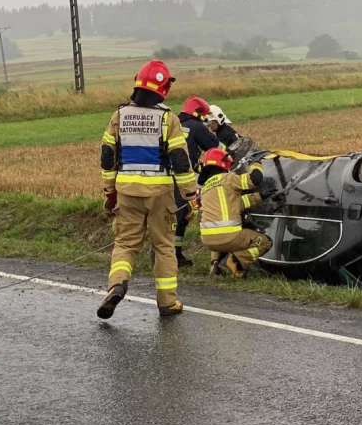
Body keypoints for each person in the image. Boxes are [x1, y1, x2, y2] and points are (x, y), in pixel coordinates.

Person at [98, 60, 199, 319]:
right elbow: (180, 161)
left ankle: (117, 285)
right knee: (164, 246)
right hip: (159, 194)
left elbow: (107, 156)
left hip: (127, 192)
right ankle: (168, 302)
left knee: (125, 244)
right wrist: (190, 195)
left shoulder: (119, 116)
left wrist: (110, 193)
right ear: (164, 89)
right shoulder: (168, 119)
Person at [197, 147, 272, 278]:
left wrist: (260, 196)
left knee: (219, 238)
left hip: (207, 240)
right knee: (265, 242)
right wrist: (256, 163)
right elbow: (254, 179)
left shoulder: (205, 187)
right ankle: (235, 261)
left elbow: (234, 204)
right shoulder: (228, 179)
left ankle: (215, 266)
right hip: (229, 236)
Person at [174, 96, 219, 267]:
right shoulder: (196, 126)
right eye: (204, 116)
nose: (205, 120)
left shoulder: (174, 123)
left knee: (170, 215)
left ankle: (168, 253)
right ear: (198, 113)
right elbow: (215, 147)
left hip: (164, 177)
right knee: (181, 214)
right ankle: (172, 255)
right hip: (182, 179)